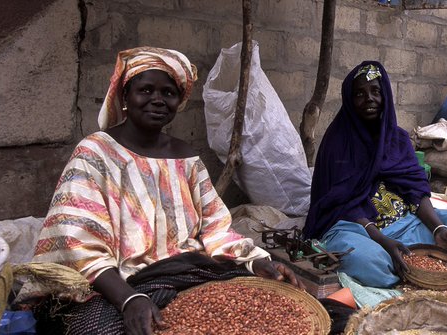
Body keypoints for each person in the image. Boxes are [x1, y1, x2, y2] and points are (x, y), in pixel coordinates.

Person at [31, 47, 303, 335]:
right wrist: (130, 299)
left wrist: (256, 259)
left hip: (186, 271)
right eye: (145, 90)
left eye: (168, 93)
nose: (157, 100)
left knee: (269, 308)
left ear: (179, 100)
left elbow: (215, 227)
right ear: (125, 96)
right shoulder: (95, 152)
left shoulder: (186, 158)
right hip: (120, 282)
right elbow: (77, 241)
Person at [303, 61, 447, 289]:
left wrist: (438, 228)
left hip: (407, 221)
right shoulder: (338, 143)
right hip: (356, 227)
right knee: (373, 264)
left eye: (376, 92)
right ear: (349, 101)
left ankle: (412, 252)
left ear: (386, 97)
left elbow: (416, 190)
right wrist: (382, 240)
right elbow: (342, 202)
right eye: (359, 94)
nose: (369, 98)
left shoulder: (397, 139)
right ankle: (406, 257)